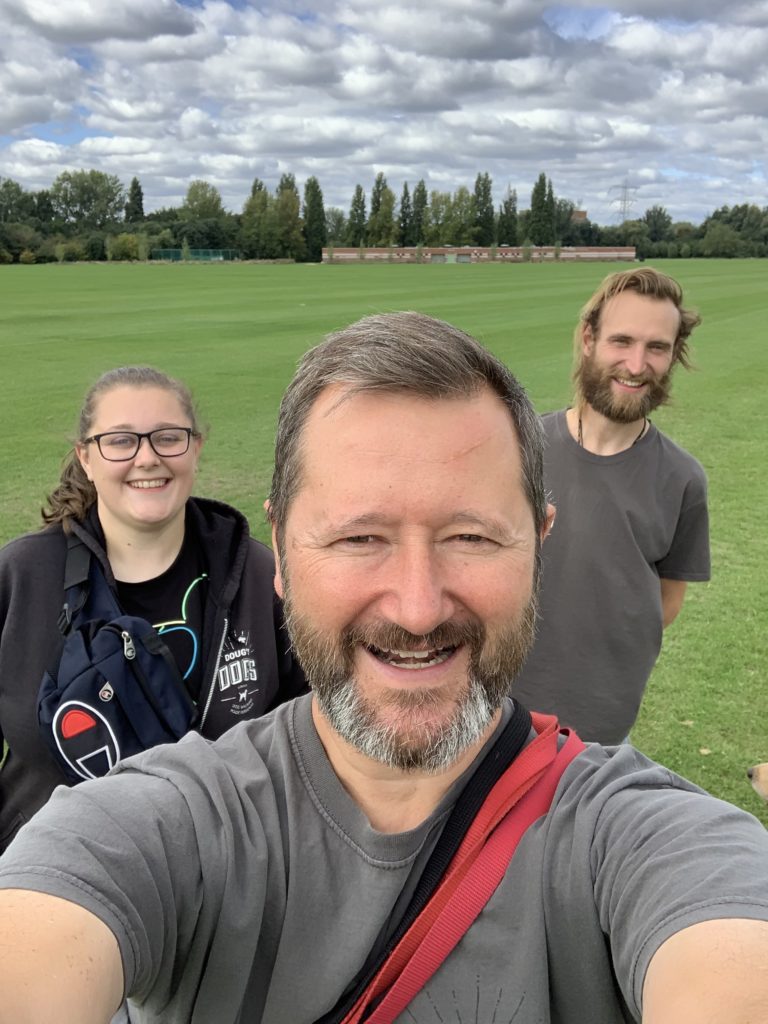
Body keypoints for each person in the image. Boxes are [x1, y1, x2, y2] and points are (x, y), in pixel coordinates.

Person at [0, 314, 766, 1024]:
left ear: (540, 544)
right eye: (358, 538)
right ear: (281, 552)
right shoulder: (160, 824)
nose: (418, 608)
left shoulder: (647, 839)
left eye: (471, 537)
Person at [0, 365, 306, 852]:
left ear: (195, 448)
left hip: (216, 881)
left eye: (168, 437)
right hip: (43, 879)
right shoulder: (21, 575)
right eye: (120, 441)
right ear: (86, 457)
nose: (147, 458)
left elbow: (306, 740)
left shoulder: (258, 576)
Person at [513, 268, 710, 743]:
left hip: (600, 725)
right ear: (589, 339)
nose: (637, 365)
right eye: (622, 341)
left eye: (657, 347)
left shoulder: (683, 479)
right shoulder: (519, 447)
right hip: (497, 707)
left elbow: (666, 602)